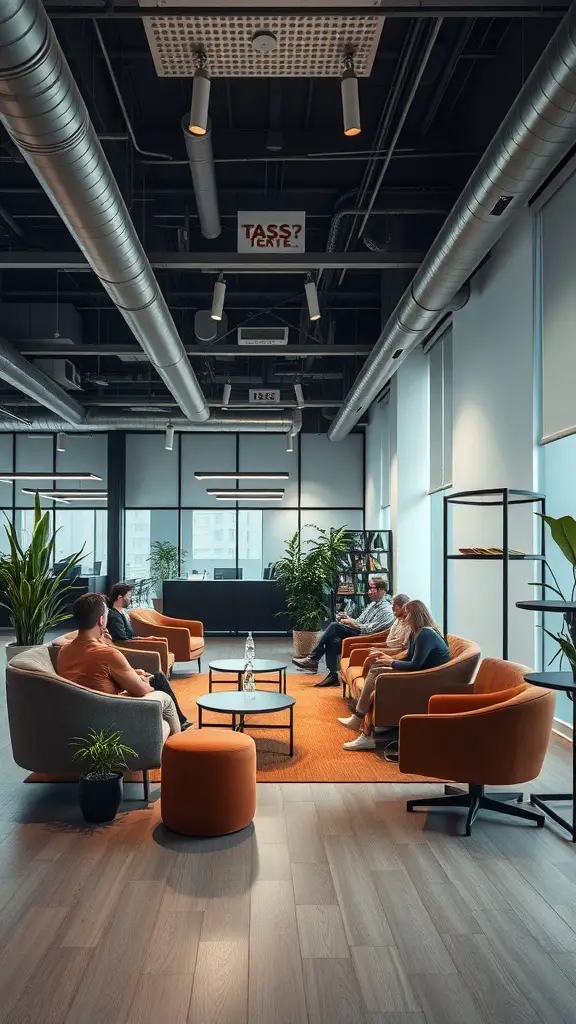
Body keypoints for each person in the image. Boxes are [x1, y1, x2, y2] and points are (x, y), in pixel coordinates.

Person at [57, 593, 192, 731]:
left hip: (80, 715)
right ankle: (179, 729)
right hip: (112, 715)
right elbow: (142, 691)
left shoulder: (63, 651)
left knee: (152, 676)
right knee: (158, 683)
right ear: (101, 620)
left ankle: (179, 723)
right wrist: (143, 680)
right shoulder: (108, 654)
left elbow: (93, 677)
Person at [339, 598, 450, 751]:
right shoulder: (416, 632)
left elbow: (415, 664)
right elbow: (409, 657)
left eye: (407, 614)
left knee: (377, 670)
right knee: (377, 666)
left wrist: (390, 662)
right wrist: (387, 658)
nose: (404, 618)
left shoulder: (426, 633)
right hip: (420, 674)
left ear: (415, 614)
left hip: (425, 679)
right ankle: (361, 721)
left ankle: (361, 722)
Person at [293, 576, 395, 688]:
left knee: (334, 626)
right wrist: (347, 618)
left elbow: (370, 629)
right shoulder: (373, 604)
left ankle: (313, 658)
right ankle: (333, 675)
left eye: (372, 589)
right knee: (333, 640)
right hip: (361, 631)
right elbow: (360, 621)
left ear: (381, 590)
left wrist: (352, 624)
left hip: (366, 636)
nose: (368, 592)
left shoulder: (386, 610)